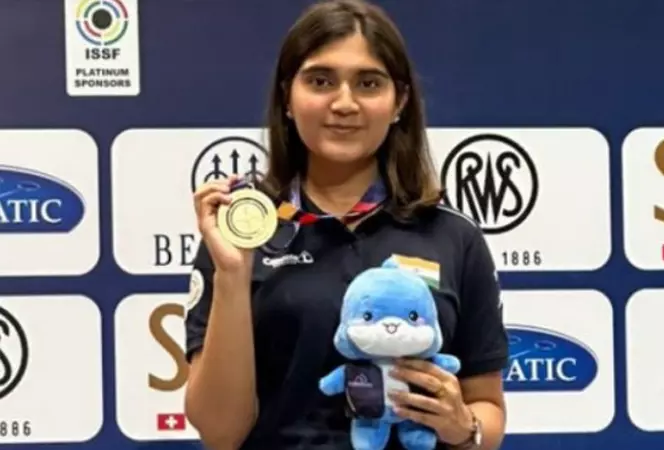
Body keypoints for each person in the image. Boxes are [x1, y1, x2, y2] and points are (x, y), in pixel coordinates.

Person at [183, 0, 509, 448]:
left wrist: (463, 426)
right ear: (287, 97)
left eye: (368, 83)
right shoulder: (239, 232)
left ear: (399, 102)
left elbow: (488, 411)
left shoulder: (452, 235)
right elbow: (220, 433)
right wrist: (233, 275)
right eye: (320, 81)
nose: (344, 103)